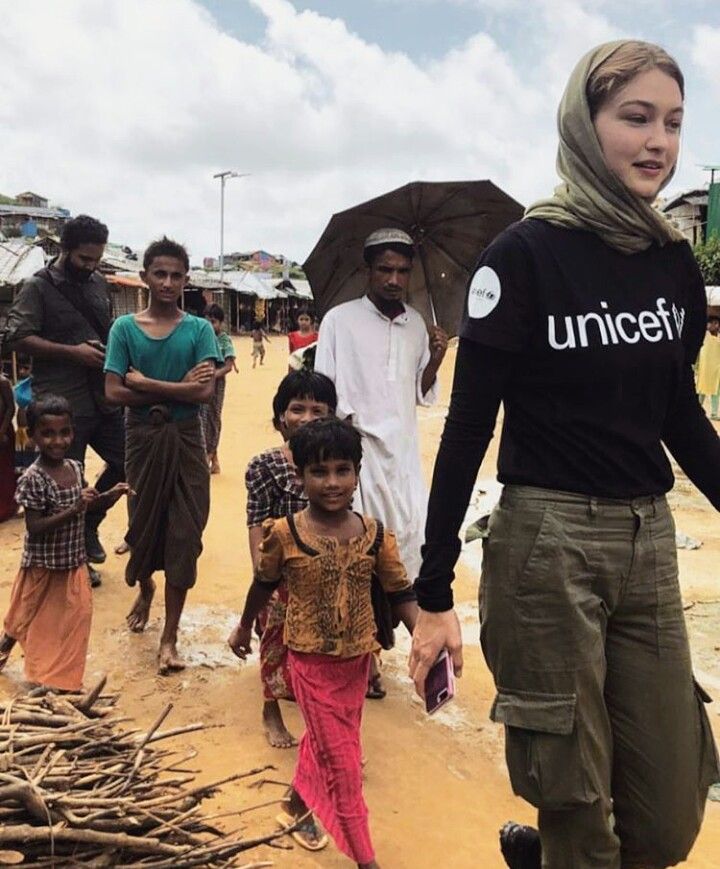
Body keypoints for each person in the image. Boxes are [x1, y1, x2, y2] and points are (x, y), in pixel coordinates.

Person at [408, 40, 720, 869]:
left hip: (649, 544)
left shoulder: (672, 261)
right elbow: (468, 427)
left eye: (674, 123)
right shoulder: (523, 257)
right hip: (547, 543)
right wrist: (433, 591)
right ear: (586, 124)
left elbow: (678, 412)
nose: (659, 141)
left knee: (667, 817)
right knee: (578, 801)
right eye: (636, 118)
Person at [228, 418, 418, 868]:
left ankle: (295, 806)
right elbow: (263, 584)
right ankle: (366, 859)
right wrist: (242, 628)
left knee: (328, 744)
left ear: (357, 472)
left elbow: (399, 592)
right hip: (309, 663)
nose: (332, 483)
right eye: (320, 472)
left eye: (342, 470)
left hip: (356, 663)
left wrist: (423, 639)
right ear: (301, 477)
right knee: (343, 765)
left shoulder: (374, 534)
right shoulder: (284, 533)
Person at [104, 237, 221, 675]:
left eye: (176, 275)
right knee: (144, 524)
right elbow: (113, 392)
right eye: (160, 274)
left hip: (188, 439)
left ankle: (169, 637)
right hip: (143, 440)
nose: (168, 282)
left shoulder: (199, 330)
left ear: (186, 280)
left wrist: (146, 383)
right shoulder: (124, 329)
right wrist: (178, 388)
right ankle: (146, 588)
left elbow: (205, 392)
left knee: (185, 534)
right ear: (145, 277)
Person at [315, 228, 448, 583]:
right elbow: (324, 393)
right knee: (355, 549)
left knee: (407, 545)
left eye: (402, 271)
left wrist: (435, 358)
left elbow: (420, 393)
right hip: (357, 454)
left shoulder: (416, 324)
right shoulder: (338, 321)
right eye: (385, 270)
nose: (394, 280)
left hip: (402, 458)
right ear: (368, 271)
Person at [1, 215, 125, 583]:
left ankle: (90, 523)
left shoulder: (100, 283)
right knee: (64, 483)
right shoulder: (36, 287)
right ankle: (75, 561)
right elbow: (17, 337)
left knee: (125, 461)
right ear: (65, 250)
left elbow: (111, 331)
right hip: (60, 401)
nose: (91, 266)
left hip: (103, 396)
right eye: (85, 259)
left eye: (96, 259)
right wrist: (73, 352)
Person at [228, 369, 337, 748]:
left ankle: (325, 723)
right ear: (280, 420)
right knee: (274, 638)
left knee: (323, 642)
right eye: (297, 409)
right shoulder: (265, 466)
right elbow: (256, 519)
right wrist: (263, 571)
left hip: (324, 567)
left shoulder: (335, 467)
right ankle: (270, 710)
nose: (307, 418)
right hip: (279, 569)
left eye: (318, 411)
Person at [0, 396, 130, 689]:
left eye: (64, 433)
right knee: (28, 616)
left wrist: (111, 494)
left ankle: (63, 679)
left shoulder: (74, 467)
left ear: (72, 433)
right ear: (32, 436)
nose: (57, 441)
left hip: (73, 564)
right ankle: (16, 650)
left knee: (76, 620)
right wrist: (74, 509)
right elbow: (35, 527)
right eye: (47, 434)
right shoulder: (34, 479)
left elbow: (90, 502)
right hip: (43, 566)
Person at [199, 303, 236, 474]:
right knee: (202, 418)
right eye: (206, 321)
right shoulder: (201, 338)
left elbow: (228, 366)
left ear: (220, 323)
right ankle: (213, 458)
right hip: (201, 383)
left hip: (216, 384)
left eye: (213, 322)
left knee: (213, 418)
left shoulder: (224, 340)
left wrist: (213, 375)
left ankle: (209, 454)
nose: (210, 326)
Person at [696, 315, 720, 419]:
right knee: (702, 390)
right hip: (705, 368)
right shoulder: (703, 336)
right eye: (709, 323)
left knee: (716, 392)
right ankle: (697, 410)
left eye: (714, 323)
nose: (711, 325)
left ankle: (714, 413)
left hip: (717, 370)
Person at [0, 372, 16, 522]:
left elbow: (11, 408)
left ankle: (6, 506)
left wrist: (2, 431)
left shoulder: (3, 382)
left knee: (4, 470)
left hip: (3, 431)